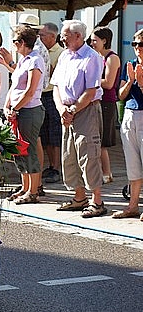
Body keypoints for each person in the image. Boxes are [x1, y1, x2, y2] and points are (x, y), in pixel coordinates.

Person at [52, 20, 106, 218]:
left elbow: (91, 91)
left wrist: (72, 110)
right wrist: (62, 110)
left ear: (78, 36)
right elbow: (56, 85)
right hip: (66, 111)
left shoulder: (92, 57)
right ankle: (79, 197)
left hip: (85, 110)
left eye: (65, 35)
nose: (62, 38)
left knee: (88, 154)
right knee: (69, 155)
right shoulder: (65, 56)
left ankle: (97, 201)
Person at [2, 26, 45, 204]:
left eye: (14, 42)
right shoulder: (23, 60)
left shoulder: (35, 60)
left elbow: (30, 90)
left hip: (30, 110)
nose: (13, 45)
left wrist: (15, 108)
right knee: (19, 150)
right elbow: (14, 86)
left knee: (30, 150)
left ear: (21, 43)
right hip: (19, 110)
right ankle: (25, 187)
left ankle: (33, 191)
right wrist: (7, 105)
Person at [112, 29, 143, 220]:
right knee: (132, 163)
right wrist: (131, 80)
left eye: (141, 44)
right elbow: (121, 95)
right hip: (130, 114)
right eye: (134, 44)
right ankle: (133, 206)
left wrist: (141, 83)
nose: (137, 48)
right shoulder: (129, 65)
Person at [89, 26, 120, 185]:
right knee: (96, 139)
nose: (92, 43)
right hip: (96, 100)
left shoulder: (112, 58)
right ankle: (101, 172)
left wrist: (88, 81)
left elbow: (108, 83)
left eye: (95, 40)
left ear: (105, 41)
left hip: (107, 102)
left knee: (102, 141)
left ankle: (107, 173)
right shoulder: (97, 57)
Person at [38, 22, 63, 184]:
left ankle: (56, 167)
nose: (40, 38)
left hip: (53, 95)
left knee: (55, 133)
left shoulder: (61, 53)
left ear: (53, 37)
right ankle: (50, 165)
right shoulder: (39, 51)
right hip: (41, 94)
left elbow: (56, 76)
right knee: (44, 133)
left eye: (42, 35)